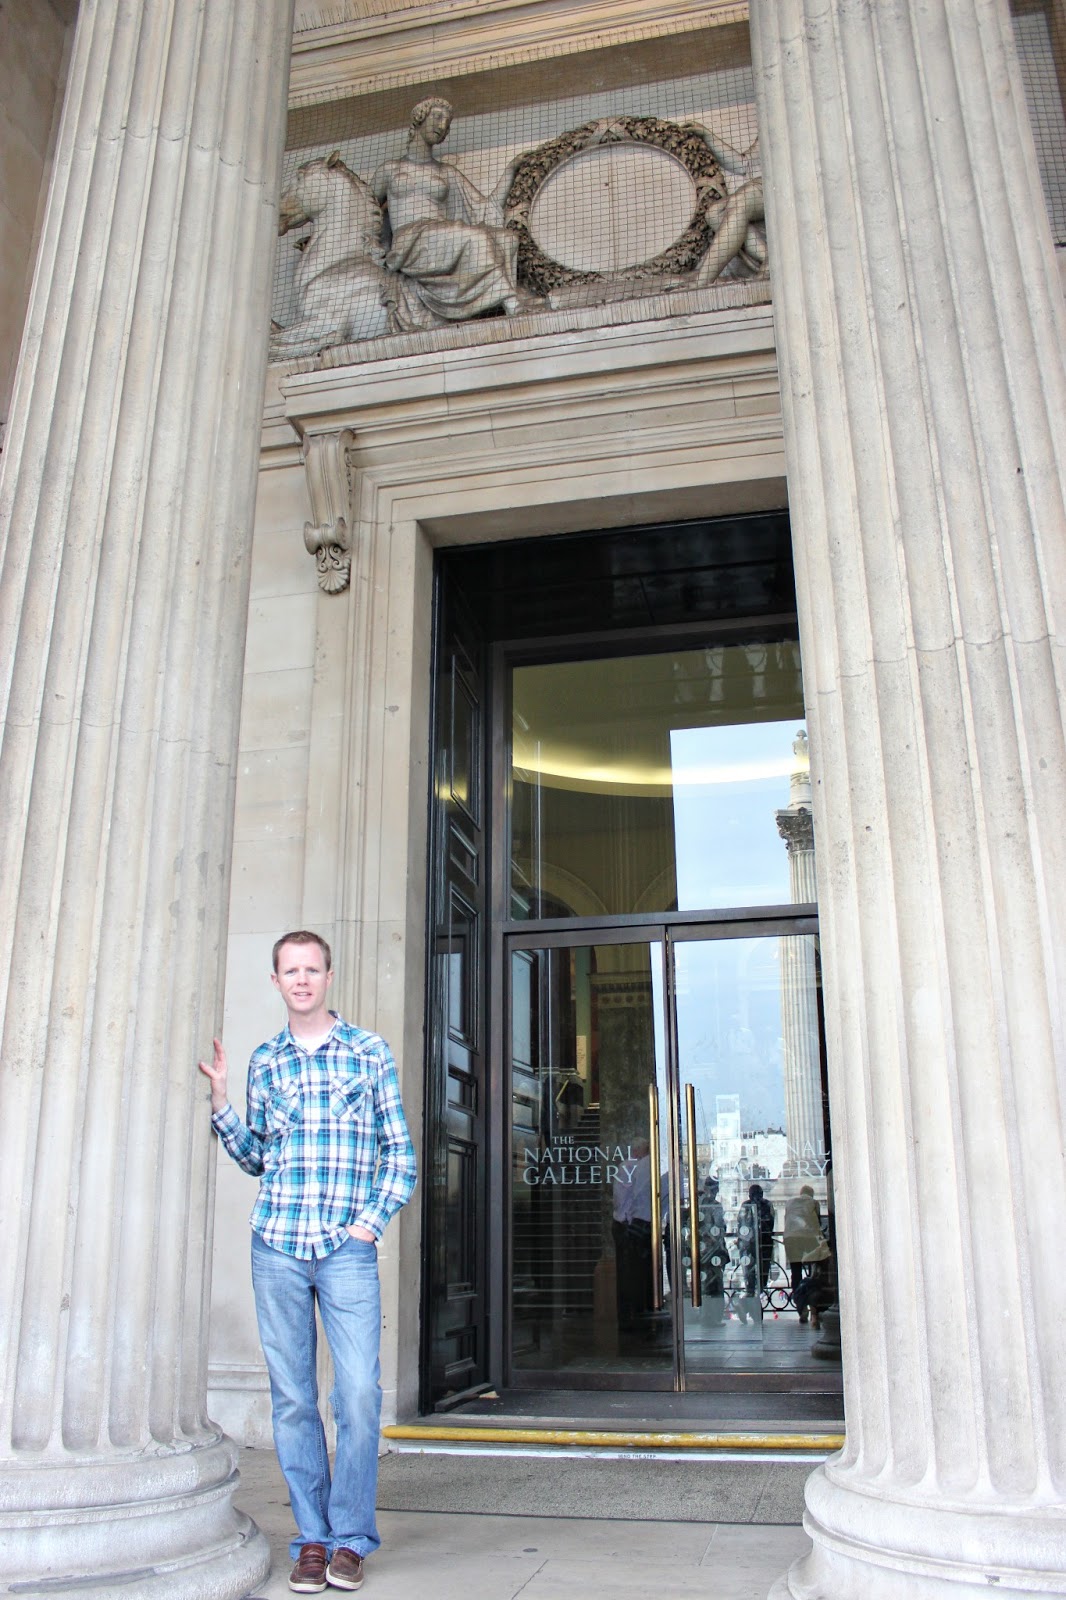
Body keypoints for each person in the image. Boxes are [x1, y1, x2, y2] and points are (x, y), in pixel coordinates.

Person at [199, 930, 416, 1595]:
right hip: (278, 1246)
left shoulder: (369, 1053)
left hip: (346, 1250)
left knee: (354, 1394)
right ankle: (313, 1541)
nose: (301, 979)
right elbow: (261, 1157)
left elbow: (400, 1156)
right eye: (289, 970)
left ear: (328, 976)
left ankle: (352, 1537)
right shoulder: (266, 1062)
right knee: (293, 1400)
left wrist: (367, 1227)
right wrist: (222, 1104)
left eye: (311, 969)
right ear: (276, 981)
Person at [370, 97, 532, 332]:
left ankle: (490, 302)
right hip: (410, 239)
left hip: (441, 234)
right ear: (419, 118)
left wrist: (510, 170)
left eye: (447, 122)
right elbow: (365, 210)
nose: (442, 125)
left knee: (506, 239)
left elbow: (483, 209)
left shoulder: (447, 173)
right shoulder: (391, 169)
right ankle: (511, 302)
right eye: (437, 117)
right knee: (472, 237)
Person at [735, 1181, 775, 1324]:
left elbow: (741, 1226)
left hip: (752, 1247)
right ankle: (753, 1312)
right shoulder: (765, 1205)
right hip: (758, 1246)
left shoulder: (747, 1206)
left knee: (754, 1282)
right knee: (756, 1282)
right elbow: (770, 1223)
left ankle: (747, 1308)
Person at [782, 1184, 822, 1321]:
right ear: (811, 1194)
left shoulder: (790, 1202)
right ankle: (814, 1309)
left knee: (796, 1272)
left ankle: (801, 1307)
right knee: (814, 1272)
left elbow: (787, 1220)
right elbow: (818, 1223)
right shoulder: (813, 1202)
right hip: (808, 1238)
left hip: (791, 1239)